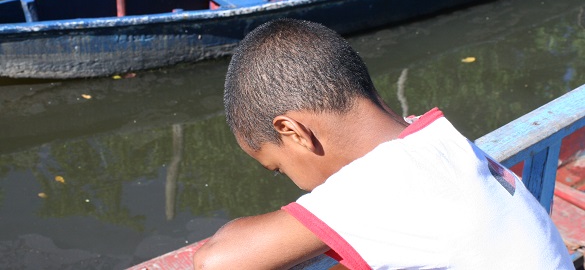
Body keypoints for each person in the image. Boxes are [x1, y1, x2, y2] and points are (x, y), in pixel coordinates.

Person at [193, 18, 573, 270]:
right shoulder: (437, 140)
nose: (293, 183)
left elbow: (216, 260)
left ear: (294, 132)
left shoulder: (378, 183)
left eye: (279, 168)